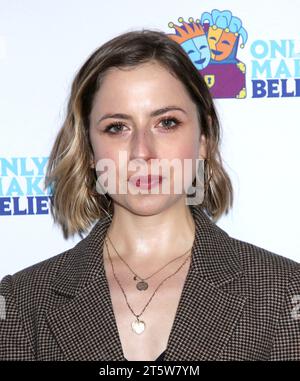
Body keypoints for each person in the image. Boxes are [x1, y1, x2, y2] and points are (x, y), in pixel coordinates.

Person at [0, 29, 299, 362]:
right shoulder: (20, 302)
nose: (142, 151)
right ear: (88, 149)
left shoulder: (284, 291)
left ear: (204, 140)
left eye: (167, 122)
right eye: (117, 127)